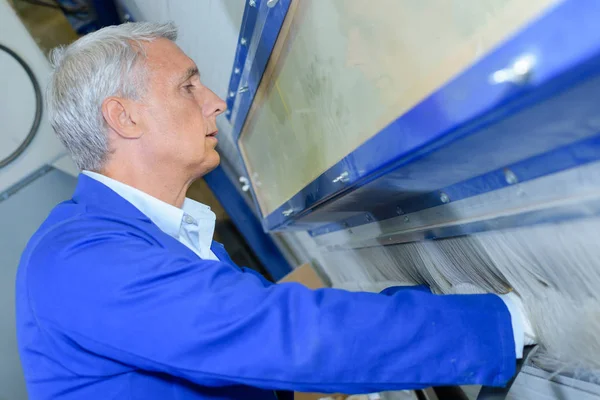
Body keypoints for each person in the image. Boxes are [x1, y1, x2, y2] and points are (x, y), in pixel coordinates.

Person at [16, 22, 535, 400]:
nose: (216, 101)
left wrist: (415, 309)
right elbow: (274, 334)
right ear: (124, 117)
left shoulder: (159, 238)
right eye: (188, 86)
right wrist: (502, 322)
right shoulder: (78, 257)